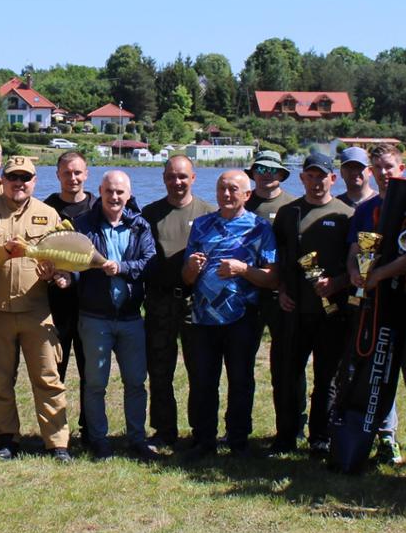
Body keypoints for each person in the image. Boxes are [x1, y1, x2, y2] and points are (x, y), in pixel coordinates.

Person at [342, 144, 406, 465]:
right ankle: (386, 436)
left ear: (402, 170)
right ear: (371, 171)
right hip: (376, 300)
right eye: (379, 168)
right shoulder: (365, 210)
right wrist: (356, 272)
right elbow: (355, 249)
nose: (385, 174)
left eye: (390, 167)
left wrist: (380, 273)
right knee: (380, 368)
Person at [182, 169, 278, 459]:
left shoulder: (259, 229)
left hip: (242, 319)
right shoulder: (201, 225)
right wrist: (191, 269)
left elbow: (272, 278)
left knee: (240, 380)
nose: (226, 194)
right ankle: (203, 440)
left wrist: (243, 270)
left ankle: (237, 440)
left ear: (247, 195)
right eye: (222, 188)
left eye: (233, 189)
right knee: (203, 381)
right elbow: (186, 278)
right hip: (202, 319)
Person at [0, 155, 70, 460]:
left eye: (25, 178)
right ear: (2, 180)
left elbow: (63, 260)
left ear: (34, 182)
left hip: (36, 310)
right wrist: (2, 252)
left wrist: (55, 273)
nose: (18, 183)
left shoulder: (49, 214)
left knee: (47, 377)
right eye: (12, 177)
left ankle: (57, 441)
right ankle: (5, 438)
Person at [272, 152, 357, 458]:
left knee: (327, 377)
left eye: (322, 176)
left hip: (331, 310)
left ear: (332, 179)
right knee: (289, 375)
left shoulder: (346, 214)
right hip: (294, 308)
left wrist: (336, 283)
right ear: (302, 177)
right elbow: (278, 259)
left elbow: (357, 264)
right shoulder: (288, 213)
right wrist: (281, 289)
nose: (316, 181)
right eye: (311, 175)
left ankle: (321, 436)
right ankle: (286, 435)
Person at [70, 171, 157, 458]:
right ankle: (99, 439)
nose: (115, 197)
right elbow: (73, 261)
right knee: (96, 383)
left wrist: (122, 268)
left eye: (120, 192)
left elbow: (149, 263)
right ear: (100, 192)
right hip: (95, 317)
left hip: (131, 318)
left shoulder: (140, 226)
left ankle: (136, 439)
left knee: (135, 382)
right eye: (109, 191)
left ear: (129, 194)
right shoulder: (83, 225)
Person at [139, 155, 216, 455]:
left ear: (193, 178)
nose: (177, 182)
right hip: (160, 302)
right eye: (171, 176)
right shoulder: (150, 213)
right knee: (159, 371)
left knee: (201, 371)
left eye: (183, 176)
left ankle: (201, 431)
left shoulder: (209, 213)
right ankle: (163, 430)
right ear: (164, 178)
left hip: (198, 303)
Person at [245, 149, 300, 453]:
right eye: (260, 169)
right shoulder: (241, 201)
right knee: (241, 365)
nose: (266, 174)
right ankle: (240, 428)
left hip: (283, 297)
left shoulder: (293, 206)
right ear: (252, 173)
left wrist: (286, 288)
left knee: (286, 367)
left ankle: (291, 429)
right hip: (247, 296)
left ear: (282, 173)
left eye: (272, 169)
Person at [42, 150, 97, 383]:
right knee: (55, 369)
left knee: (91, 372)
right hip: (55, 302)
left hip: (89, 301)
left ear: (86, 174)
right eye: (67, 173)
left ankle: (89, 420)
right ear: (58, 175)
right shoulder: (46, 209)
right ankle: (55, 420)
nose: (72, 178)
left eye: (77, 173)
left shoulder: (98, 208)